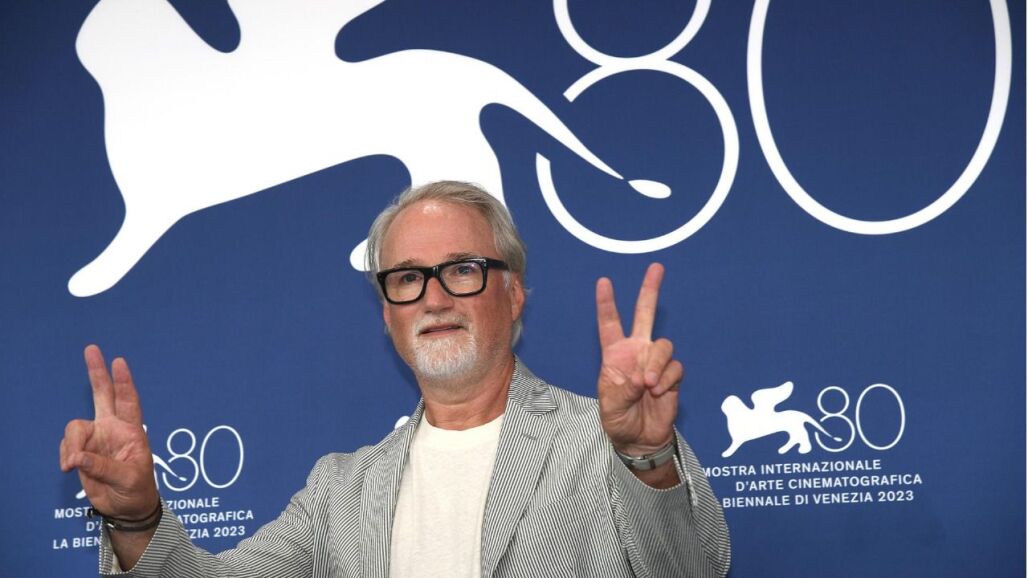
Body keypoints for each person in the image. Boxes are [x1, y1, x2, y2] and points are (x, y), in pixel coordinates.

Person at [60, 181, 731, 577]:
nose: (434, 298)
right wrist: (137, 519)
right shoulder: (340, 491)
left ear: (514, 293)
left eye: (462, 269)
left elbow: (695, 569)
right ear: (388, 314)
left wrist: (646, 459)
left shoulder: (605, 443)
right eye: (408, 277)